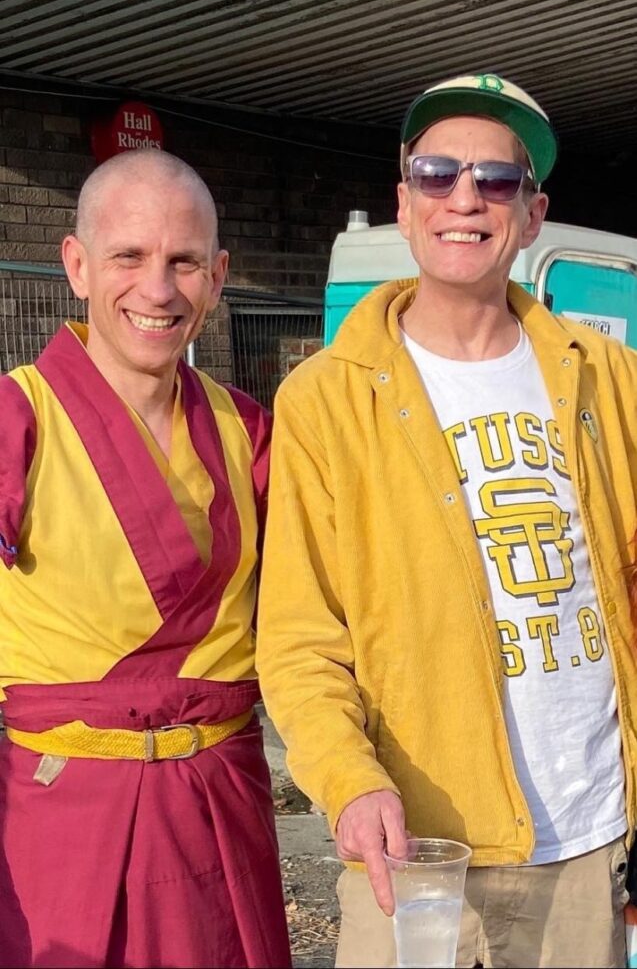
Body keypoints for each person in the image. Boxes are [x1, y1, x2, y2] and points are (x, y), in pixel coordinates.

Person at [256, 73, 637, 968]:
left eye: (495, 181)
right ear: (403, 201)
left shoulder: (608, 381)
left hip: (589, 846)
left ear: (531, 213)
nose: (464, 197)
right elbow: (300, 638)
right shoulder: (325, 399)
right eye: (436, 173)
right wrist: (348, 785)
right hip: (415, 853)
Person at [0, 150, 291, 969]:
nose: (158, 290)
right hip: (70, 815)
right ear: (78, 265)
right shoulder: (18, 418)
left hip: (222, 807)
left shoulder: (247, 428)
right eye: (129, 257)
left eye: (184, 262)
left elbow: (325, 595)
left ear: (219, 274)